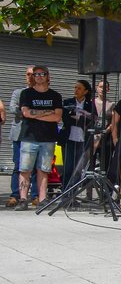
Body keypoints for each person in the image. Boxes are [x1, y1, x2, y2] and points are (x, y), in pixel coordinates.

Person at [15, 65, 64, 209]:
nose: (39, 76)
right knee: (25, 169)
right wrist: (46, 112)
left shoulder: (55, 95)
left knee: (44, 169)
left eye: (42, 74)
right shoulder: (26, 94)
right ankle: (23, 199)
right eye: (36, 74)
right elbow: (26, 113)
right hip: (29, 137)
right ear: (33, 77)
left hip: (48, 138)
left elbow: (57, 117)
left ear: (48, 76)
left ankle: (42, 199)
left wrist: (36, 114)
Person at [60, 79, 97, 189]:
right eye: (75, 88)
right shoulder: (68, 102)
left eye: (79, 88)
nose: (76, 90)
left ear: (85, 91)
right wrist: (81, 118)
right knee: (68, 166)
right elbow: (66, 118)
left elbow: (93, 120)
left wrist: (79, 117)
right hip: (69, 138)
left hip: (82, 140)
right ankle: (65, 192)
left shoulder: (90, 104)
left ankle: (73, 192)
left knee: (78, 168)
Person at [7, 67, 34, 207]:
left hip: (34, 134)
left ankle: (35, 196)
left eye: (33, 74)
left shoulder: (39, 94)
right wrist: (30, 113)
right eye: (28, 74)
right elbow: (12, 108)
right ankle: (15, 195)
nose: (30, 77)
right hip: (19, 134)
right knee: (18, 165)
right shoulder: (18, 92)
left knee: (35, 167)